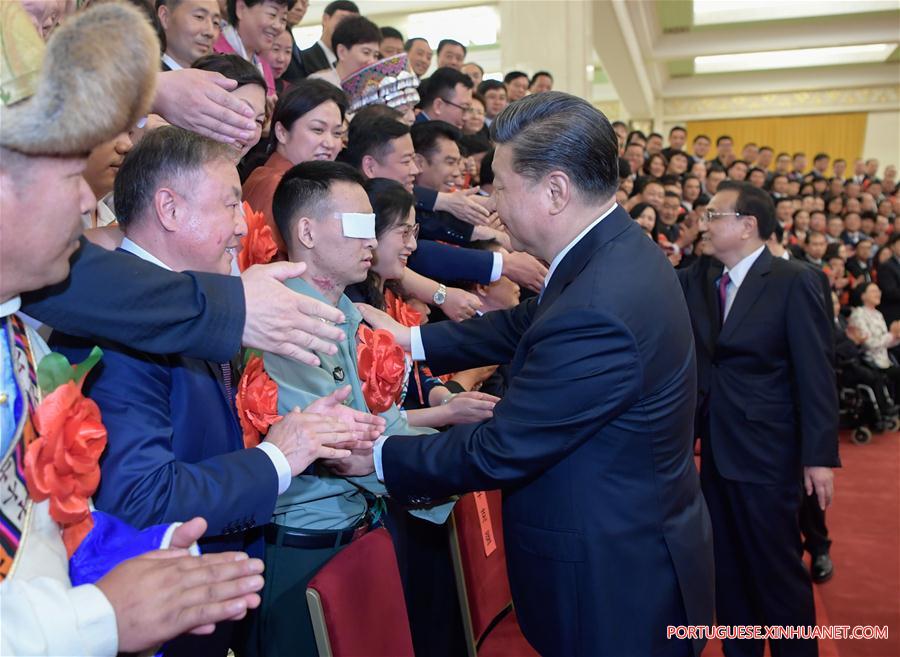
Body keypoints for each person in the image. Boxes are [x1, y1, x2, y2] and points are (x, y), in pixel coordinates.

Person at [353, 92, 715, 657]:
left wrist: (377, 456)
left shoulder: (599, 303)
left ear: (554, 191)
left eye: (499, 184)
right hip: (636, 542)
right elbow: (529, 322)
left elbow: (502, 447)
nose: (491, 200)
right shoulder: (611, 250)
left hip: (611, 584)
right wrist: (413, 340)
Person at [53, 125, 381, 657]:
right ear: (170, 209)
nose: (241, 227)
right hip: (159, 615)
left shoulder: (194, 298)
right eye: (231, 205)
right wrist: (280, 455)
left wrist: (288, 433)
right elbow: (141, 498)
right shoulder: (119, 324)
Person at [0, 4, 266, 653]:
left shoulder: (18, 331)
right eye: (72, 176)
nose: (91, 201)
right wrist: (100, 616)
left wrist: (129, 557)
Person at [251, 160, 454, 656]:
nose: (372, 241)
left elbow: (381, 423)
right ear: (307, 232)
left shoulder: (343, 313)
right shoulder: (281, 321)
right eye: (358, 226)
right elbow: (343, 442)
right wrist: (458, 462)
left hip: (355, 530)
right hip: (306, 546)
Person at [677, 181, 839, 657]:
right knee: (727, 571)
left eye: (713, 215)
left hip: (770, 454)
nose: (704, 223)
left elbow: (816, 373)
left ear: (747, 225)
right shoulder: (703, 277)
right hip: (717, 451)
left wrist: (819, 457)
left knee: (776, 571)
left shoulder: (794, 280)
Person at [243, 79, 348, 258]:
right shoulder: (278, 186)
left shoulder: (276, 177)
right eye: (317, 130)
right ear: (282, 132)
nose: (330, 143)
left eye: (337, 133)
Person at [213, 0, 289, 96]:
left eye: (283, 19)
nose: (279, 26)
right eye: (272, 14)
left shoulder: (265, 67)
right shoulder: (212, 52)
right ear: (241, 9)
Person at [307, 14, 379, 87]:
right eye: (366, 52)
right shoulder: (319, 83)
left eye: (375, 55)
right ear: (342, 52)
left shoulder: (374, 85)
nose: (372, 61)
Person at [157, 0, 222, 70]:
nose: (210, 32)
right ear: (165, 17)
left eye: (216, 22)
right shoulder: (149, 78)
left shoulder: (222, 77)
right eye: (199, 16)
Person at [298, 0, 358, 76]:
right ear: (325, 19)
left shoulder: (353, 62)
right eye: (343, 20)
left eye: (353, 23)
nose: (348, 27)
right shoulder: (302, 58)